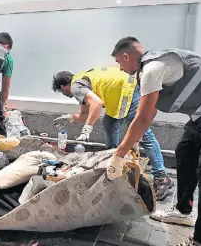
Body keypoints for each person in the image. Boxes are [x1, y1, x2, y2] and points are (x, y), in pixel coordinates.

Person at [108, 37, 201, 246]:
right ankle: (183, 211)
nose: (120, 67)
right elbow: (148, 114)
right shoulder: (154, 65)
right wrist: (130, 144)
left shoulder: (152, 68)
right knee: (185, 153)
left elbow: (145, 117)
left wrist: (119, 153)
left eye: (119, 62)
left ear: (126, 56)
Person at [51, 68, 173, 200]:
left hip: (128, 91)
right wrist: (68, 118)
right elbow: (85, 114)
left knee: (142, 133)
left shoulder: (76, 87)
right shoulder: (81, 80)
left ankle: (161, 178)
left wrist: (87, 129)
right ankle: (114, 165)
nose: (65, 94)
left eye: (61, 92)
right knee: (109, 123)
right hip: (122, 94)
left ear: (63, 87)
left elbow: (97, 104)